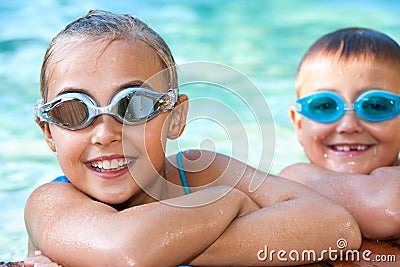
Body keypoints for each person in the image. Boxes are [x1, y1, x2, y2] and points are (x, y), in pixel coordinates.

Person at [24, 10, 361, 266]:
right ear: (48, 131)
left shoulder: (202, 171)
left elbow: (337, 227)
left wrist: (173, 248)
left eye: (134, 104)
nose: (105, 133)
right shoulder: (52, 203)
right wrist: (228, 202)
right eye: (73, 111)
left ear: (175, 117)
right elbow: (126, 252)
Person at [279, 27, 400, 240]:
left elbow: (390, 208)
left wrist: (309, 189)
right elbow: (388, 210)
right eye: (325, 106)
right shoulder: (295, 176)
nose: (348, 125)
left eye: (376, 106)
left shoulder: (297, 184)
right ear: (299, 125)